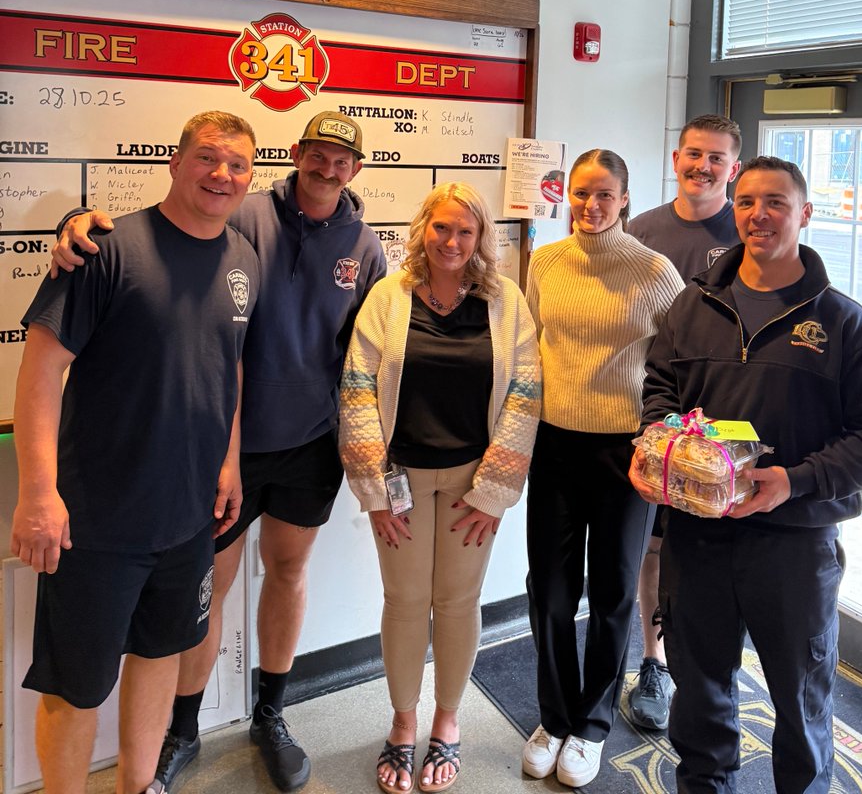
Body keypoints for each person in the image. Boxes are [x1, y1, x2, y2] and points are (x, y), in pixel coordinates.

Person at [51, 110, 386, 793]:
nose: (327, 168)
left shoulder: (368, 246)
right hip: (222, 447)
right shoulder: (244, 211)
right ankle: (183, 725)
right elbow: (172, 236)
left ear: (356, 169)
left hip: (310, 446)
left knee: (288, 575)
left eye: (341, 160)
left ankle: (270, 713)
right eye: (316, 154)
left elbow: (376, 347)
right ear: (295, 155)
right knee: (208, 591)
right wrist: (82, 221)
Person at [631, 156, 862, 794]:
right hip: (698, 535)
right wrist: (659, 453)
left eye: (776, 201)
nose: (760, 214)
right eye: (748, 201)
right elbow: (660, 395)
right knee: (699, 694)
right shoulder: (691, 307)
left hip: (795, 542)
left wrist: (796, 480)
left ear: (804, 214)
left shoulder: (844, 322)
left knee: (801, 699)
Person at [12, 110, 260, 794]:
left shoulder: (244, 258)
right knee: (77, 686)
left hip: (189, 519)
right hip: (97, 522)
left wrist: (231, 460)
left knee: (159, 656)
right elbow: (39, 369)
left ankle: (138, 786)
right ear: (175, 163)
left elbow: (228, 367)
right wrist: (38, 492)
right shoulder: (106, 248)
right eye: (208, 158)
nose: (222, 174)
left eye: (238, 165)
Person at [339, 181, 541, 793]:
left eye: (466, 231)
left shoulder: (505, 300)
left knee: (456, 604)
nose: (452, 241)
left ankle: (447, 722)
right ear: (422, 229)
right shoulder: (388, 296)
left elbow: (525, 395)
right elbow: (357, 389)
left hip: (472, 481)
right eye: (441, 227)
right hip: (397, 475)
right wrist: (374, 490)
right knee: (404, 603)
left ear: (481, 238)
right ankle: (404, 725)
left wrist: (496, 488)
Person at [521, 149, 684, 788]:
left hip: (626, 452)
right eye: (582, 193)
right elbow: (532, 347)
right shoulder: (545, 263)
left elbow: (676, 364)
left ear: (625, 197)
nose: (592, 206)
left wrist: (661, 438)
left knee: (615, 591)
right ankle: (553, 716)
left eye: (606, 195)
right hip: (555, 444)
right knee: (552, 591)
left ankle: (590, 726)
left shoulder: (655, 271)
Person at [624, 114, 741, 730]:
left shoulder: (747, 227)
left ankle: (708, 660)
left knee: (716, 548)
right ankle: (654, 661)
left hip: (727, 426)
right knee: (654, 545)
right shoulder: (641, 230)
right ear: (676, 158)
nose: (703, 166)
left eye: (716, 158)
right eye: (694, 154)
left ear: (733, 168)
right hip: (653, 414)